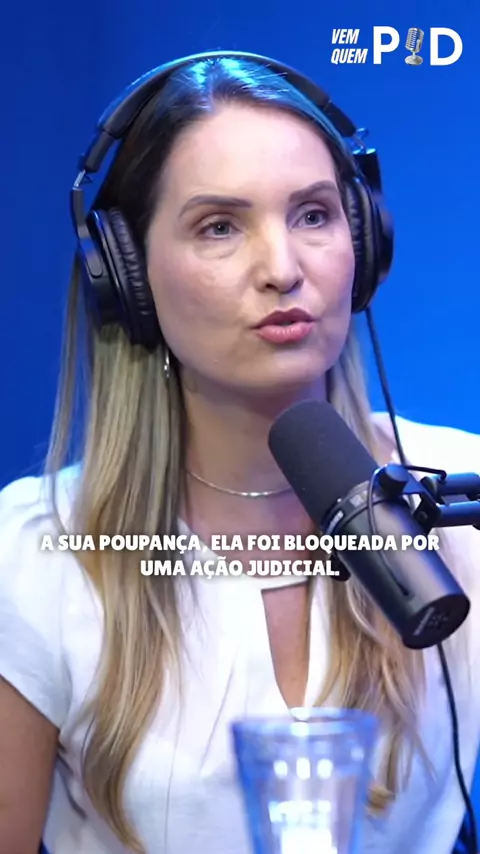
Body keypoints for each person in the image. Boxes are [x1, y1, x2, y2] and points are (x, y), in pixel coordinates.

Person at [0, 50, 479, 854]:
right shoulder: (32, 556)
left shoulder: (461, 507)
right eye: (219, 227)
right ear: (127, 276)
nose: (283, 269)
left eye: (314, 215)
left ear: (365, 241)